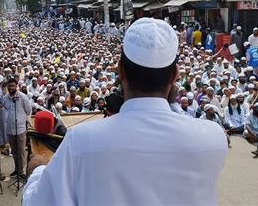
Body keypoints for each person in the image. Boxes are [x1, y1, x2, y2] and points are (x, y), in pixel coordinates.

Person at [23, 17, 227, 206]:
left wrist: (38, 171)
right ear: (175, 75)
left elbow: (38, 202)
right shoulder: (212, 137)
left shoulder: (81, 142)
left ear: (120, 71)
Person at [3, 78, 32, 178]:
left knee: (21, 152)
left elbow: (28, 111)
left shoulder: (23, 97)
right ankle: (16, 169)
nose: (11, 88)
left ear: (16, 86)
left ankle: (21, 172)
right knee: (14, 152)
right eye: (9, 86)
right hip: (10, 128)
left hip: (20, 129)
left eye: (13, 86)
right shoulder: (5, 98)